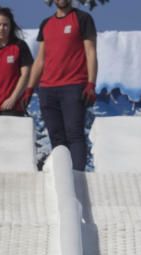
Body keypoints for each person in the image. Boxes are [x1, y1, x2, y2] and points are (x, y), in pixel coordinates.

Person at [25, 0, 98, 171]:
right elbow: (40, 59)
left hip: (73, 86)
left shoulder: (83, 18)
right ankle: (62, 177)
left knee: (74, 134)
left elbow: (91, 52)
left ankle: (77, 177)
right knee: (57, 138)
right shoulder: (46, 24)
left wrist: (91, 83)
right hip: (48, 89)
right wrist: (29, 88)